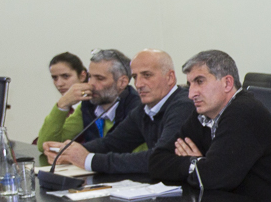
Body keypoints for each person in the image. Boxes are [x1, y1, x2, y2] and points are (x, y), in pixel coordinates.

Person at [149, 50, 271, 202]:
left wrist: (195, 167)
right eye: (190, 84)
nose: (191, 94)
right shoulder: (203, 114)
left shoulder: (244, 112)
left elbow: (210, 178)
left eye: (199, 82)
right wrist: (196, 163)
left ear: (227, 83)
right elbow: (157, 162)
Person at [40, 50, 195, 175]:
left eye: (147, 75)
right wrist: (67, 151)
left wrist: (88, 160)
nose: (138, 84)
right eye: (135, 77)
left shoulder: (183, 106)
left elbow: (160, 158)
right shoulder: (144, 109)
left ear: (170, 78)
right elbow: (112, 143)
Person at [39, 49, 141, 153]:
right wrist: (62, 104)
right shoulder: (88, 104)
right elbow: (45, 145)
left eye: (99, 78)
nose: (91, 84)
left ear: (122, 82)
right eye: (90, 77)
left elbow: (125, 153)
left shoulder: (138, 109)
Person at [35, 51, 90, 150]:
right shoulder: (67, 108)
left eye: (65, 76)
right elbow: (44, 144)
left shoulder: (89, 105)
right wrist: (61, 105)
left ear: (82, 76)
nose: (59, 84)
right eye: (55, 78)